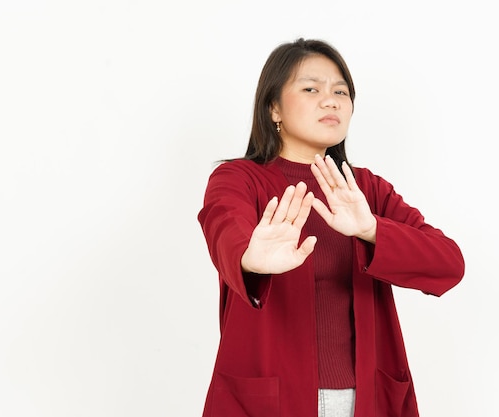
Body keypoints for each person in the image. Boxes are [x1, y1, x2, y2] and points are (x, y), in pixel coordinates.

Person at [197, 38, 465, 417]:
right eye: (311, 89)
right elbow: (224, 225)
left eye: (341, 91)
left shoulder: (365, 189)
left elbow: (448, 264)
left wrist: (372, 229)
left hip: (366, 399)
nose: (331, 100)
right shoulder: (238, 179)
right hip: (271, 400)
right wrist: (249, 258)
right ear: (273, 107)